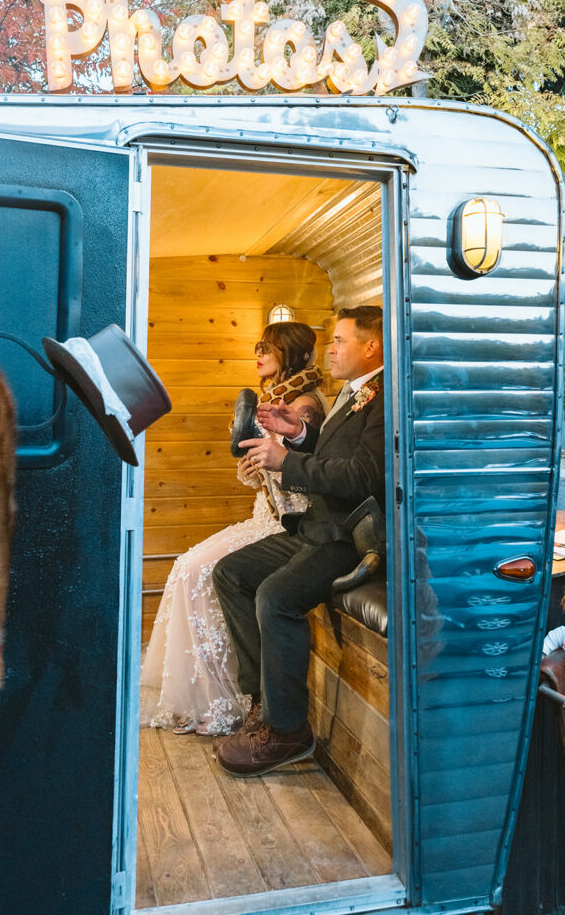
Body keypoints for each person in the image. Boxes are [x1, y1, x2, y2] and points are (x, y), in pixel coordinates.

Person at [212, 305, 385, 776]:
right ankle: (263, 701)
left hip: (349, 538)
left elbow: (363, 475)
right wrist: (301, 433)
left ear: (371, 347)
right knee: (230, 573)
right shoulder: (354, 394)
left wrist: (284, 460)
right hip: (315, 528)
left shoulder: (386, 395)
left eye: (340, 341)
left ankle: (288, 732)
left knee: (276, 596)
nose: (329, 349)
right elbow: (334, 454)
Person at [140, 322, 326, 736]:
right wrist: (253, 469)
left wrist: (273, 466)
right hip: (264, 512)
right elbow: (264, 474)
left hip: (289, 522)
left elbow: (306, 473)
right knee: (186, 567)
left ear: (290, 353)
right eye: (258, 346)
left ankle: (234, 700)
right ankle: (201, 694)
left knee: (201, 571)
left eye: (268, 347)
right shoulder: (269, 398)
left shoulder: (304, 405)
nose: (258, 354)